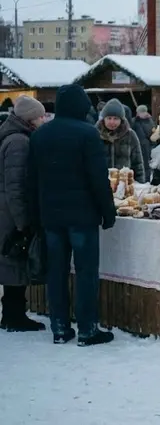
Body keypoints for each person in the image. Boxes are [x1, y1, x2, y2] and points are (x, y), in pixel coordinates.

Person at [29, 84, 116, 346]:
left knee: (56, 272)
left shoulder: (40, 135)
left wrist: (36, 217)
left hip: (51, 218)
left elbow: (31, 180)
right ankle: (87, 329)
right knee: (86, 273)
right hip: (82, 216)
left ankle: (59, 327)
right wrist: (107, 212)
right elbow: (98, 178)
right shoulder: (87, 134)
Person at [0, 96, 47, 332]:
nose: (43, 119)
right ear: (29, 118)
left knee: (12, 263)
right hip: (11, 213)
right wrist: (23, 222)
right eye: (40, 116)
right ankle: (14, 316)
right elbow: (15, 186)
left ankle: (12, 313)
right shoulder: (19, 142)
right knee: (15, 262)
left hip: (7, 211)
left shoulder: (14, 136)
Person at [96, 99, 145, 183]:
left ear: (121, 119)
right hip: (100, 184)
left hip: (124, 185)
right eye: (109, 118)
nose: (112, 122)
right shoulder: (95, 135)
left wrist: (139, 184)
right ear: (104, 119)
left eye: (115, 118)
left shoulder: (130, 135)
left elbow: (137, 164)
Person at [132, 105, 156, 182]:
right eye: (139, 112)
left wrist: (151, 143)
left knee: (145, 163)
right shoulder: (134, 121)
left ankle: (146, 180)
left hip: (145, 146)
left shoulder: (150, 121)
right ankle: (137, 179)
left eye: (142, 112)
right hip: (136, 145)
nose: (140, 114)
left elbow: (152, 133)